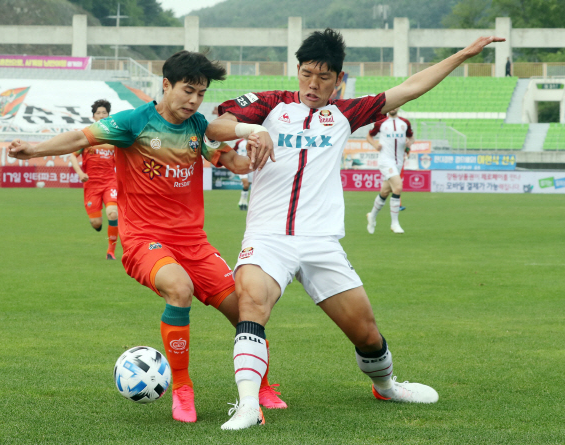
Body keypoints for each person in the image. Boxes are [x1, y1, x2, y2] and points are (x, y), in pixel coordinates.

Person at [206, 28, 503, 430]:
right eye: (308, 73)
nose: (314, 84)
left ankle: (387, 386)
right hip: (267, 238)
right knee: (252, 305)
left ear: (338, 79)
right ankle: (246, 406)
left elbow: (410, 88)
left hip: (321, 242)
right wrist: (251, 130)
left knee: (366, 332)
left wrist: (464, 55)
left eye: (324, 77)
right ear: (298, 70)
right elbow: (216, 127)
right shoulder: (268, 104)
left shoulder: (346, 114)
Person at [7, 50, 286, 424]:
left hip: (194, 243)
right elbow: (79, 137)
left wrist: (252, 154)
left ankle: (261, 385)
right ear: (166, 85)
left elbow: (232, 162)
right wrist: (32, 151)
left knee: (247, 311)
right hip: (144, 239)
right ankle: (183, 389)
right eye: (188, 91)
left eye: (201, 94)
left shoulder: (198, 127)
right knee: (179, 288)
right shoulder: (132, 123)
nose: (194, 101)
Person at [68, 99, 120, 259]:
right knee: (96, 223)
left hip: (110, 182)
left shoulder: (114, 137)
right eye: (99, 113)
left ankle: (110, 251)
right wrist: (80, 173)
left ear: (108, 116)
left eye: (104, 113)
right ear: (94, 116)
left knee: (113, 214)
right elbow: (72, 155)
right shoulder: (87, 137)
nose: (102, 115)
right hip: (91, 185)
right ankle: (99, 225)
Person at [365, 107, 414, 234]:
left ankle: (372, 215)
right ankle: (395, 224)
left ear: (399, 107)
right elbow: (369, 136)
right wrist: (375, 145)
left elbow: (412, 138)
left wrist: (409, 143)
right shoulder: (381, 122)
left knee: (385, 191)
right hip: (386, 161)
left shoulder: (405, 123)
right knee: (397, 187)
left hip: (398, 162)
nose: (394, 107)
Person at [234, 139, 253, 210]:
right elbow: (233, 150)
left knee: (248, 185)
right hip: (241, 166)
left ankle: (242, 202)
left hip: (251, 166)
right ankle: (243, 203)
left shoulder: (254, 141)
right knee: (246, 183)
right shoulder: (239, 142)